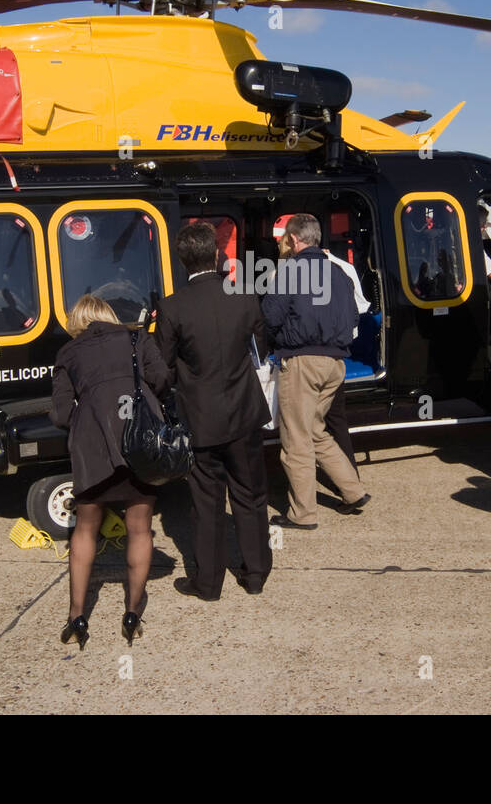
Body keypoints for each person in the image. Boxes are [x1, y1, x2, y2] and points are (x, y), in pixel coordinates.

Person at [156, 222, 272, 600]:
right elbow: (261, 346)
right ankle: (255, 574)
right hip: (244, 411)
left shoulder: (172, 307)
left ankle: (208, 584)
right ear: (218, 254)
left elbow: (162, 367)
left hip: (201, 417)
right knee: (251, 495)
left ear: (181, 261)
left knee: (206, 502)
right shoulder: (243, 295)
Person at [50, 294, 171, 648]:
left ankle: (77, 617)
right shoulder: (136, 338)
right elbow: (161, 378)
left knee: (86, 529)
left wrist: (86, 418)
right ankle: (132, 612)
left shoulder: (69, 353)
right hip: (139, 441)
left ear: (77, 321)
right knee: (139, 528)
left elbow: (58, 414)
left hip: (92, 446)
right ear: (109, 316)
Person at [263, 213, 369, 529]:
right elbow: (353, 318)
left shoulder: (289, 271)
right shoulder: (340, 273)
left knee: (296, 440)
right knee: (315, 430)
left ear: (294, 239)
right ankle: (353, 491)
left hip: (301, 362)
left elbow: (269, 317)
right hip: (335, 364)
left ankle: (303, 514)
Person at [323, 242, 371, 470]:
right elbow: (358, 312)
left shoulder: (290, 272)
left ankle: (344, 480)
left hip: (307, 357)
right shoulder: (345, 270)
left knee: (306, 426)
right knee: (337, 419)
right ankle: (349, 478)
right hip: (338, 353)